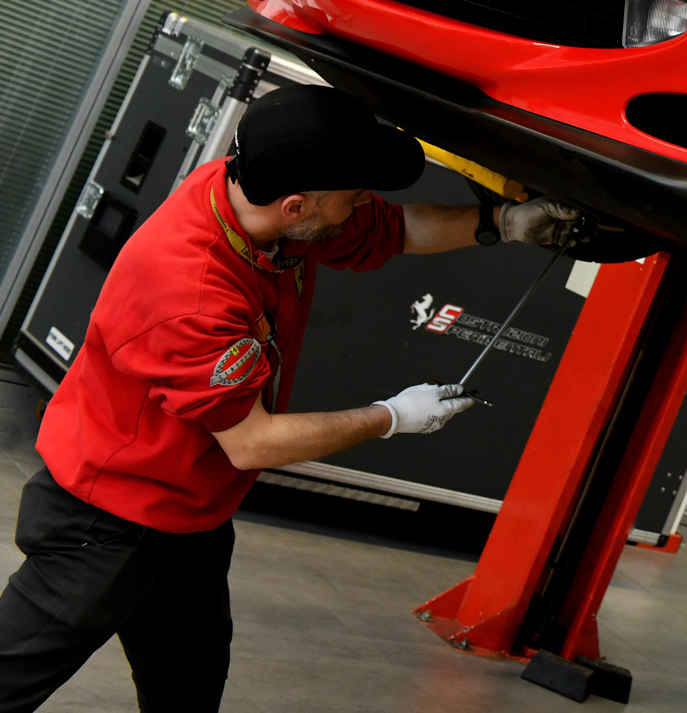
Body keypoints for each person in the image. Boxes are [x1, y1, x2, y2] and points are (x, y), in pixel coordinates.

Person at [0, 84, 576, 711]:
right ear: (298, 205)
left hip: (190, 516)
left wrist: (502, 222)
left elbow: (395, 228)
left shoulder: (262, 203)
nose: (366, 203)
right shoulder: (189, 291)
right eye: (355, 194)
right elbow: (251, 442)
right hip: (108, 517)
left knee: (188, 686)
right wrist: (393, 417)